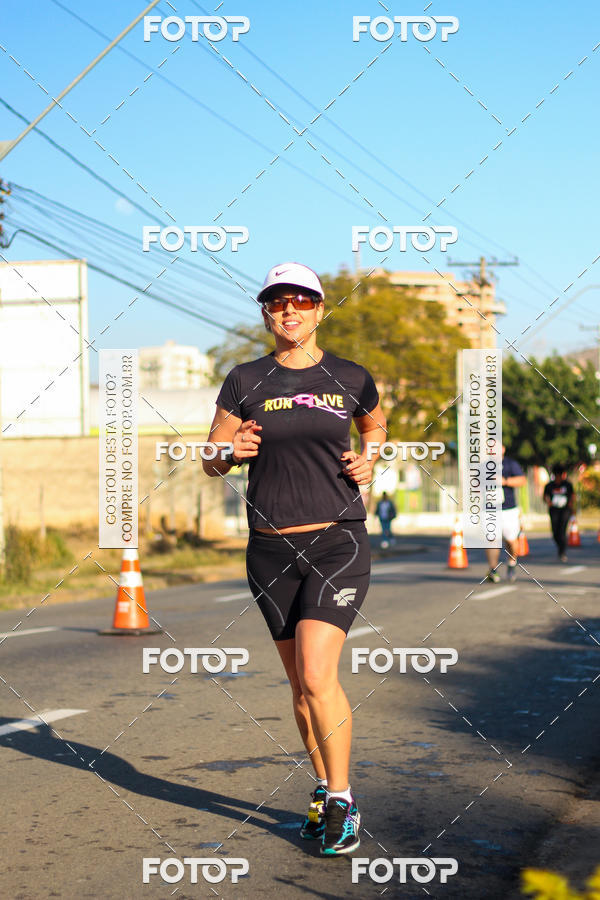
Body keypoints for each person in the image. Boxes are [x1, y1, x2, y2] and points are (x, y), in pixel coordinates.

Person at [203, 262, 386, 856]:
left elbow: (375, 425)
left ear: (319, 309)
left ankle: (342, 799)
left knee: (315, 673)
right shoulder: (245, 379)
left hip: (338, 539)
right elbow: (210, 455)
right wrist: (227, 452)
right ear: (266, 313)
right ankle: (322, 786)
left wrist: (370, 460)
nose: (290, 311)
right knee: (299, 688)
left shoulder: (351, 376)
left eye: (301, 302)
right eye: (278, 302)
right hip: (269, 547)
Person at [485, 444, 526, 583]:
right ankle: (493, 569)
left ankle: (511, 563)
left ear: (502, 449)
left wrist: (505, 481)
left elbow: (522, 480)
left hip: (508, 509)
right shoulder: (484, 466)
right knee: (492, 540)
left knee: (511, 540)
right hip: (490, 509)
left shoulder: (510, 464)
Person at [543, 464, 575, 562]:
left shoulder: (567, 485)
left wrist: (571, 506)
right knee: (555, 532)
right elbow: (545, 496)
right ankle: (560, 546)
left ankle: (562, 551)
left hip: (565, 510)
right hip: (554, 510)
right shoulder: (549, 486)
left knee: (562, 531)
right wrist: (548, 502)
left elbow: (572, 496)